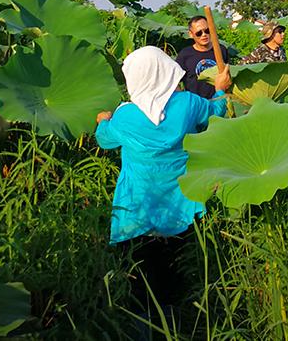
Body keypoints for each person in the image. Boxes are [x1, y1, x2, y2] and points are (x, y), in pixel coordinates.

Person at [94, 46, 231, 313]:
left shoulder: (124, 116)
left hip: (137, 210)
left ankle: (144, 326)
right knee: (174, 280)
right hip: (181, 205)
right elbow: (219, 110)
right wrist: (220, 88)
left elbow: (104, 140)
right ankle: (173, 324)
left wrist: (102, 120)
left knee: (140, 281)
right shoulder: (188, 104)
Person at [175, 15, 230, 98]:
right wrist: (183, 98)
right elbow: (174, 81)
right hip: (197, 106)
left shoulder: (220, 50)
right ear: (191, 34)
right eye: (199, 33)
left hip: (219, 101)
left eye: (207, 31)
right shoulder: (184, 55)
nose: (204, 35)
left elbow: (227, 75)